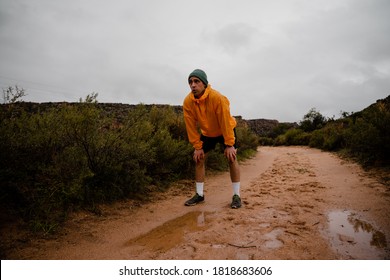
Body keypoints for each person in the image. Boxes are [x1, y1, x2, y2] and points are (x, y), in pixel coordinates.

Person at [183, 69, 241, 209]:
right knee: (198, 158)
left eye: (196, 81)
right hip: (208, 132)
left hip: (224, 129)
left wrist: (229, 144)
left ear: (204, 83)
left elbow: (225, 121)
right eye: (190, 82)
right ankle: (199, 195)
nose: (193, 85)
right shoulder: (188, 102)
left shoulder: (217, 98)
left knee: (231, 158)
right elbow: (190, 126)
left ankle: (236, 196)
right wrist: (197, 147)